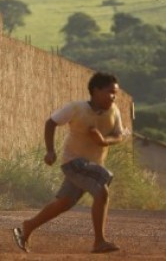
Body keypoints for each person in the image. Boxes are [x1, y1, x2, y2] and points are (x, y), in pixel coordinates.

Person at [12, 72, 124, 253]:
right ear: (96, 90)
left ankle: (28, 226)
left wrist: (104, 141)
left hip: (92, 165)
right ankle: (99, 241)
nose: (113, 97)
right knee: (102, 184)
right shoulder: (77, 108)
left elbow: (118, 135)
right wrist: (50, 150)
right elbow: (51, 122)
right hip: (73, 162)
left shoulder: (114, 111)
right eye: (110, 92)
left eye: (116, 93)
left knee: (63, 203)